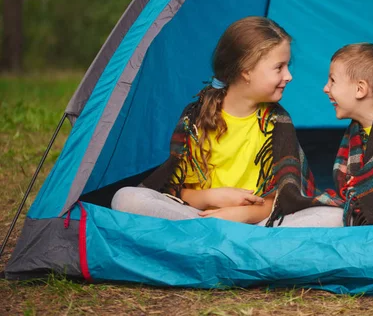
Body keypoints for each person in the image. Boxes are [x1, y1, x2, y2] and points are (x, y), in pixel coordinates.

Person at [111, 16, 343, 227]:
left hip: (257, 224)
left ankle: (210, 245)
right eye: (279, 67)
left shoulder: (277, 122)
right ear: (246, 70)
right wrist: (213, 197)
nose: (288, 76)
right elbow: (181, 192)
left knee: (333, 217)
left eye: (287, 66)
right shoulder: (197, 117)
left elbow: (283, 198)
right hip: (200, 217)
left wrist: (241, 215)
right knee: (126, 198)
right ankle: (230, 247)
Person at [267, 43, 373, 226]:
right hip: (364, 229)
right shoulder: (355, 133)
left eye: (332, 80)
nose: (325, 88)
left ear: (360, 89)